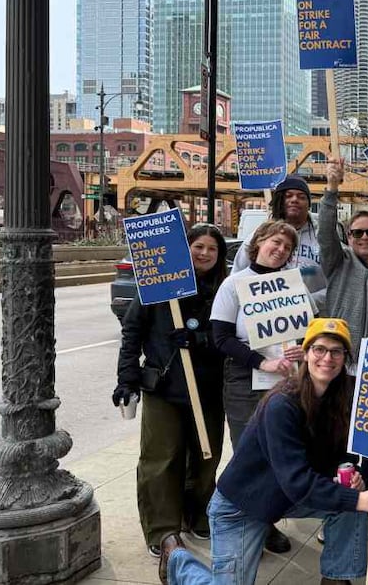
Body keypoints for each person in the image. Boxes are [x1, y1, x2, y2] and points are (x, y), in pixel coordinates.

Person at [159, 318, 368, 585]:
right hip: (242, 507)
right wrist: (357, 500)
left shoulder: (344, 397)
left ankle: (336, 580)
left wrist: (351, 475)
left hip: (286, 496)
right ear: (305, 353)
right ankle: (177, 559)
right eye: (320, 349)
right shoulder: (282, 404)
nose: (327, 358)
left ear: (345, 358)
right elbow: (296, 480)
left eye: (336, 351)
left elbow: (345, 453)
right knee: (355, 501)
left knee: (350, 501)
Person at [113, 223, 228, 557]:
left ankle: (198, 515)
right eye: (197, 246)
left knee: (207, 457)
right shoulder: (158, 286)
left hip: (207, 389)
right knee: (161, 459)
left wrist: (201, 339)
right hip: (164, 388)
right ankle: (162, 529)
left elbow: (232, 337)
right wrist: (126, 379)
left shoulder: (224, 289)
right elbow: (132, 331)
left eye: (211, 248)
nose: (204, 253)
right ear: (185, 249)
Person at [211, 220, 306, 554]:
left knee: (278, 451)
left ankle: (267, 519)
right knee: (248, 452)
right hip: (244, 380)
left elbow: (304, 331)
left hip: (285, 380)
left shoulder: (292, 286)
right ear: (259, 242)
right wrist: (260, 361)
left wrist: (302, 348)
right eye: (275, 242)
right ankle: (250, 523)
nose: (280, 250)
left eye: (287, 247)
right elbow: (220, 337)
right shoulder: (234, 284)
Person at [320, 157, 368, 348]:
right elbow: (325, 231)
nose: (364, 237)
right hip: (345, 359)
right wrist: (332, 188)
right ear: (348, 237)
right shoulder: (339, 262)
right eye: (357, 232)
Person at [232, 175, 327, 310]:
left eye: (301, 197)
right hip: (266, 318)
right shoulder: (258, 237)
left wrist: (305, 302)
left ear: (309, 204)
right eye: (288, 196)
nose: (294, 200)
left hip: (313, 320)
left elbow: (339, 285)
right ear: (279, 201)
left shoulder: (324, 237)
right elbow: (237, 278)